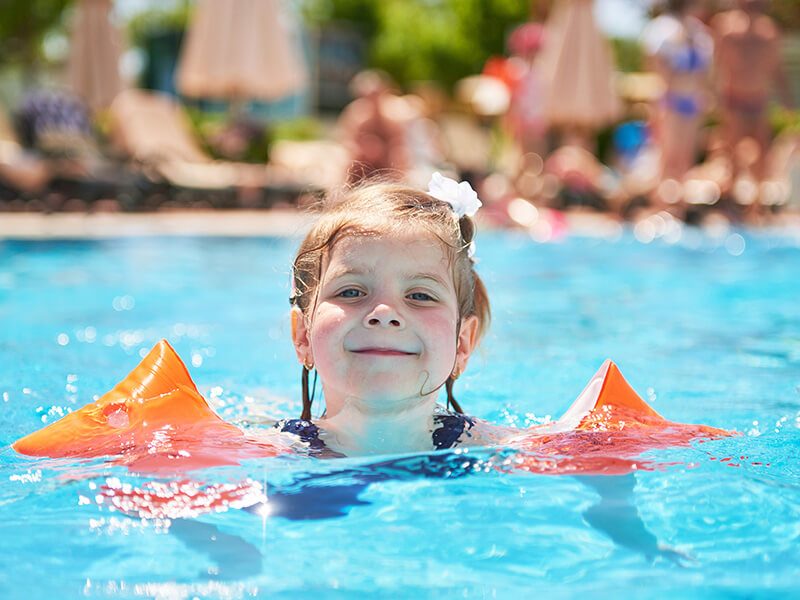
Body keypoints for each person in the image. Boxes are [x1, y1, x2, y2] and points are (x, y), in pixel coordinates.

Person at [278, 173, 492, 456]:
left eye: (420, 296)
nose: (384, 314)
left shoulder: (502, 454)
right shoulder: (267, 455)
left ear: (462, 342)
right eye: (351, 292)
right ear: (303, 336)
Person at [711, 0, 794, 197]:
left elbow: (776, 68)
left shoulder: (769, 31)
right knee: (730, 153)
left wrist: (786, 98)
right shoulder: (725, 27)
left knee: (762, 154)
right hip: (733, 100)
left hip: (759, 100)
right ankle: (730, 198)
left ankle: (756, 205)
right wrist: (713, 95)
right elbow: (717, 64)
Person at [641, 0, 714, 185]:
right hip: (671, 98)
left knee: (686, 156)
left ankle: (677, 202)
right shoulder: (664, 27)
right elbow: (654, 61)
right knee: (668, 154)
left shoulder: (698, 31)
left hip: (692, 99)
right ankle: (663, 202)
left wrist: (704, 94)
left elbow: (704, 70)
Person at [337, 70, 411, 185]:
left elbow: (399, 141)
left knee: (399, 155)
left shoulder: (393, 113)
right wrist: (365, 148)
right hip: (362, 159)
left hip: (387, 160)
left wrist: (384, 150)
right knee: (348, 159)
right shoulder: (355, 113)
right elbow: (347, 140)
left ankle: (397, 186)